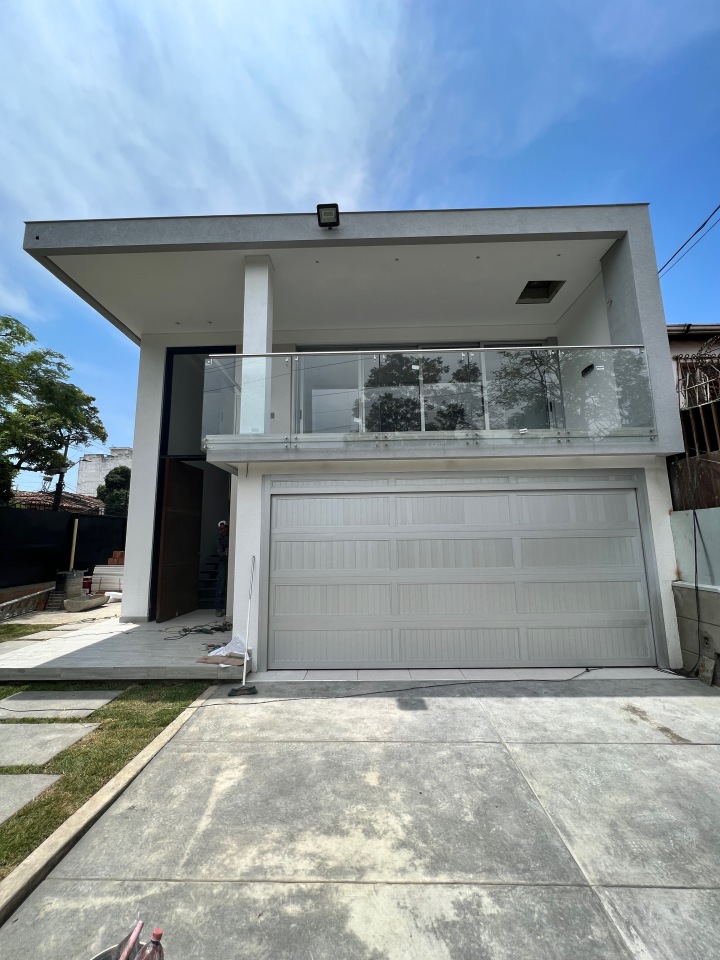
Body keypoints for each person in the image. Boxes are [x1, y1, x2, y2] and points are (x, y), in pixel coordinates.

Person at [215, 520, 229, 616]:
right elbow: (219, 553)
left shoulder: (232, 536)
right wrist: (225, 553)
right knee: (221, 584)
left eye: (223, 529)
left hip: (232, 562)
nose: (222, 531)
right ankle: (219, 608)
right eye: (220, 529)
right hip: (223, 562)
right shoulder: (220, 539)